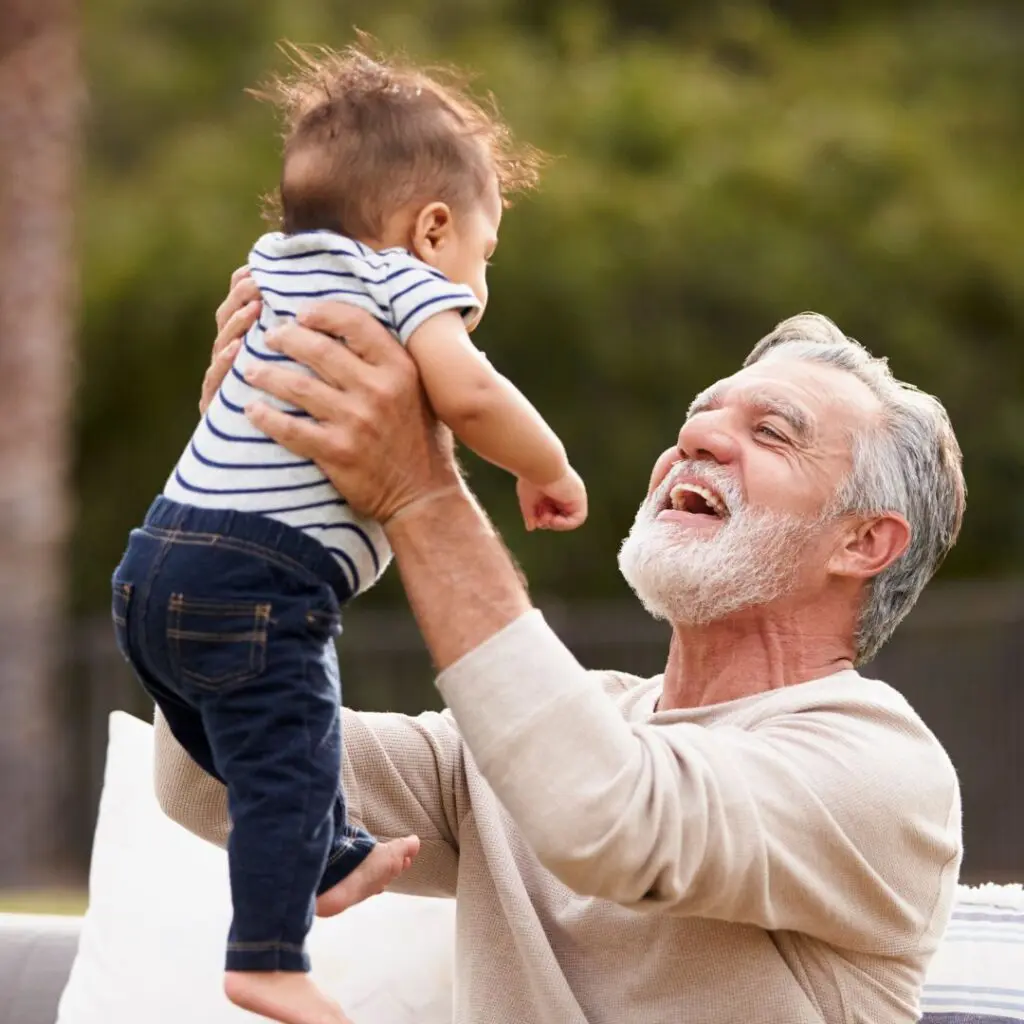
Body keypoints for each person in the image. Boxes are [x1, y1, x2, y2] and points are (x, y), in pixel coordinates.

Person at [157, 294, 966, 1023]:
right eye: (701, 414)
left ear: (864, 542)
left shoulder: (883, 769)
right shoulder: (551, 734)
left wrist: (419, 490)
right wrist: (236, 490)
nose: (695, 437)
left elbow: (610, 818)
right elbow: (210, 780)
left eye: (771, 432)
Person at [110, 45, 586, 1024]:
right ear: (434, 229)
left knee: (271, 745)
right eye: (481, 262)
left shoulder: (273, 268)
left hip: (152, 565)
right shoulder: (403, 282)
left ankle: (329, 850)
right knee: (289, 746)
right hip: (260, 579)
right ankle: (268, 956)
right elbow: (470, 391)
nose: (475, 287)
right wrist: (547, 466)